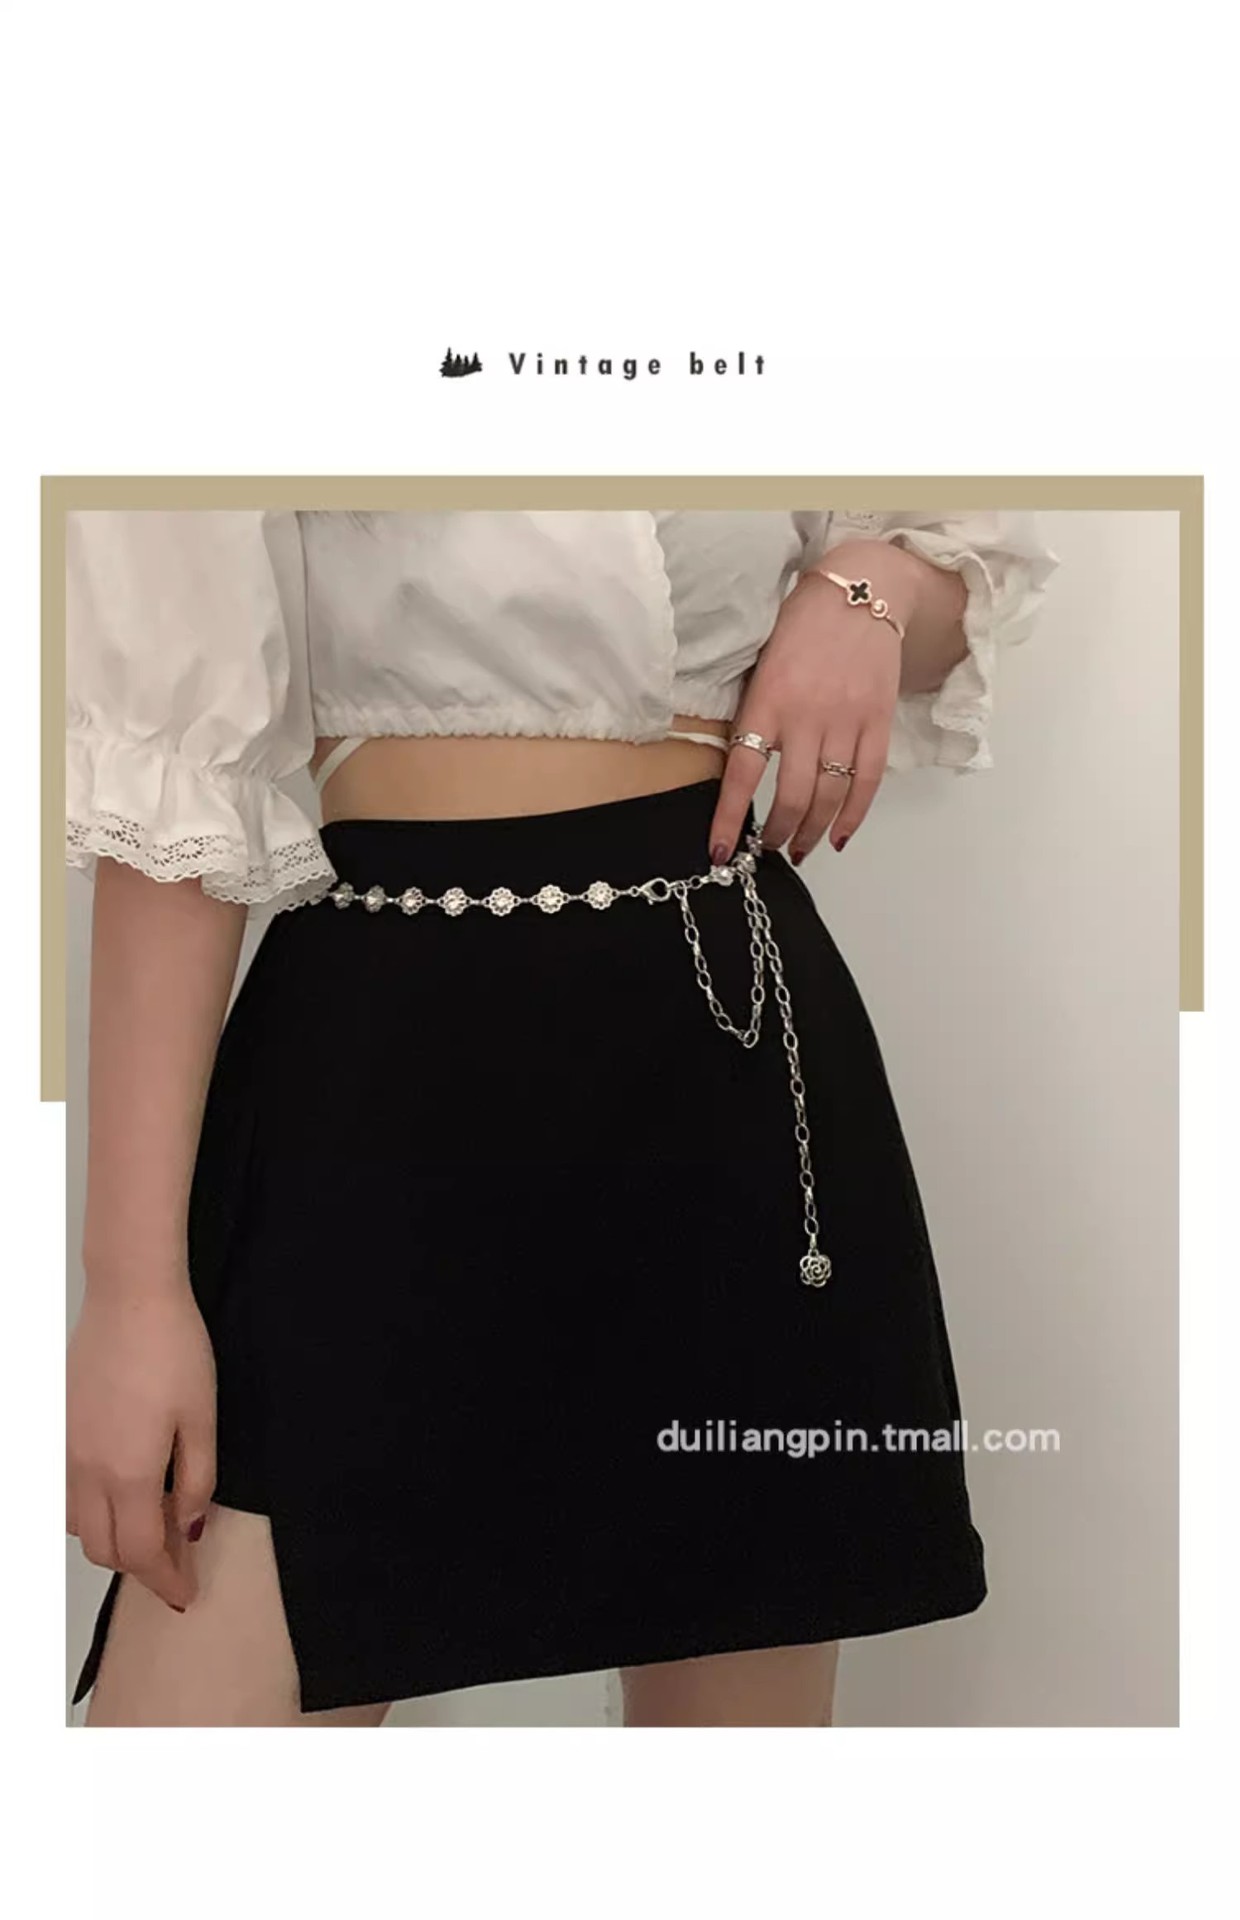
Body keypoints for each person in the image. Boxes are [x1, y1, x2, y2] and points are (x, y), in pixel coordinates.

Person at [64, 506, 1059, 1727]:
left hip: (729, 1060)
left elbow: (949, 559)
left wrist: (871, 588)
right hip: (374, 1087)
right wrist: (130, 1291)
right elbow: (173, 806)